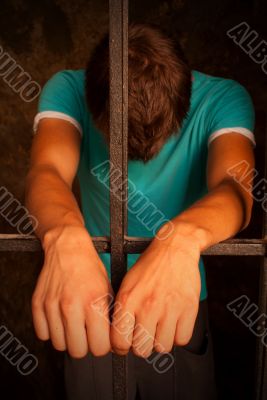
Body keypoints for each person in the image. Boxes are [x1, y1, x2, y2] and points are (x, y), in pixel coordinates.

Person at [25, 23, 256, 400]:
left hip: (178, 294)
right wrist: (61, 236)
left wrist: (178, 240)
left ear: (186, 99)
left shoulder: (223, 97)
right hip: (87, 297)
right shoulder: (67, 89)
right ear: (92, 101)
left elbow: (235, 189)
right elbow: (47, 171)